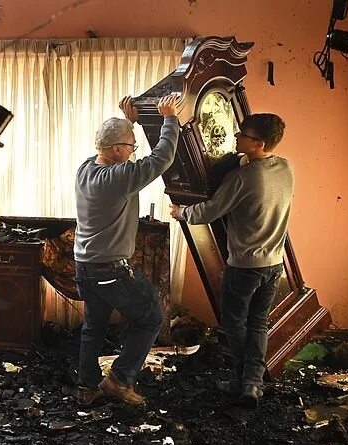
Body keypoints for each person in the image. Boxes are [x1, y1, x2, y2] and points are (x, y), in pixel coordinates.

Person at [170, 113, 293, 408]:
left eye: (243, 135)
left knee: (234, 323)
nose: (237, 137)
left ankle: (241, 380)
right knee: (259, 322)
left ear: (259, 143)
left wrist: (181, 213)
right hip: (274, 264)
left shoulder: (244, 178)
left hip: (244, 266)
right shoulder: (285, 167)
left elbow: (211, 210)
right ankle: (253, 382)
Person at [74, 93, 184, 407]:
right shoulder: (119, 177)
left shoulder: (86, 168)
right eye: (131, 146)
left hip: (85, 265)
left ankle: (86, 386)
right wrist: (170, 118)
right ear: (117, 150)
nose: (133, 151)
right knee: (151, 317)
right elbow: (161, 159)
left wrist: (129, 124)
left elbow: (123, 155)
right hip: (109, 269)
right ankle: (119, 379)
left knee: (93, 327)